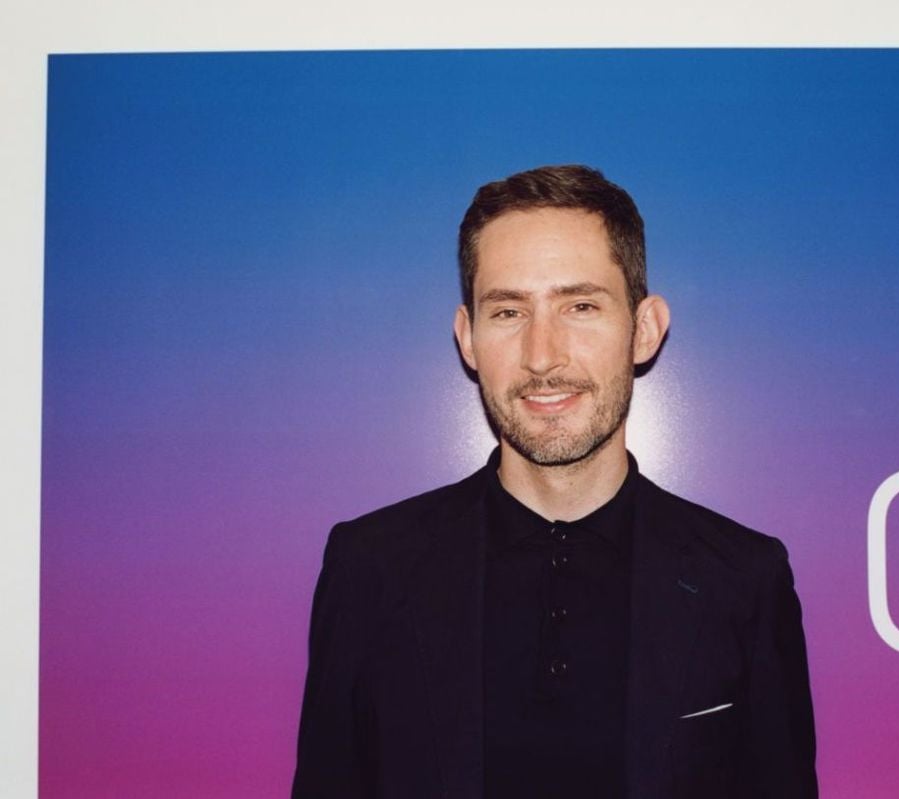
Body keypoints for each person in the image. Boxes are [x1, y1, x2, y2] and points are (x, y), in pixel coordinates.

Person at [292, 165, 817, 798]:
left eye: (580, 306)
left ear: (644, 330)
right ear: (468, 339)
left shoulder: (744, 578)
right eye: (509, 311)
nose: (542, 355)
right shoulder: (370, 569)